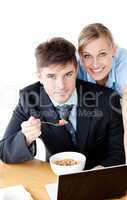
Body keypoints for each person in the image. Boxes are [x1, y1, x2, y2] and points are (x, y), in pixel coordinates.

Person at [0, 37, 125, 169]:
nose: (61, 86)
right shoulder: (29, 99)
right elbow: (3, 151)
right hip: (54, 178)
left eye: (68, 74)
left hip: (98, 177)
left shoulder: (107, 98)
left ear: (76, 71)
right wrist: (26, 138)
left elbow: (118, 153)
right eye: (51, 76)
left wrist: (99, 172)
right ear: (40, 77)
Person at [77, 23, 127, 96]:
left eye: (102, 54)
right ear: (80, 56)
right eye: (87, 56)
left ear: (114, 50)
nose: (95, 64)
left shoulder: (123, 66)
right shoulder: (75, 67)